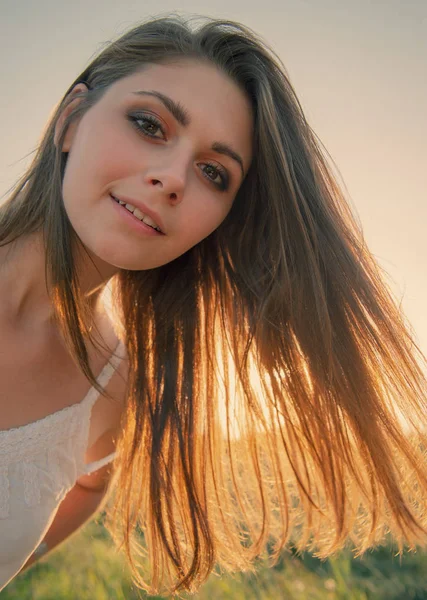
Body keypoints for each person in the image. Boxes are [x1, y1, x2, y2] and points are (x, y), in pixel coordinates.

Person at [0, 13, 426, 596]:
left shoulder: (115, 385)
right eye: (149, 124)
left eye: (214, 173)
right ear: (72, 120)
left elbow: (87, 485)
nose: (174, 178)